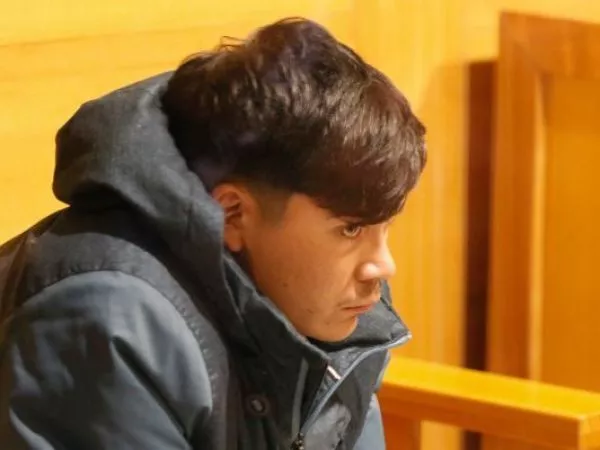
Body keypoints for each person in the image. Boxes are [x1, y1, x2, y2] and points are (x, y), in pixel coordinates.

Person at [0, 17, 426, 449]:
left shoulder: (329, 305)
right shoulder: (108, 320)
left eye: (385, 226)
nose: (383, 266)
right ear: (233, 213)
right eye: (351, 228)